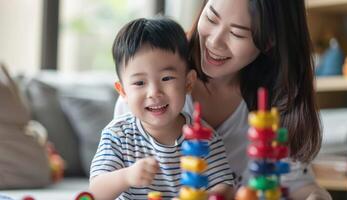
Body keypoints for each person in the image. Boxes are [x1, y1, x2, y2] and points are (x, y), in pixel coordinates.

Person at [114, 0, 332, 199]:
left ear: (269, 41)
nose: (215, 42)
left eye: (237, 33)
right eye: (210, 18)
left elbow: (298, 185)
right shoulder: (150, 91)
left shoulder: (273, 104)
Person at [90, 17, 234, 200]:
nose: (154, 93)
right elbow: (95, 193)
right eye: (139, 82)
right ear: (123, 91)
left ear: (188, 82)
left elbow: (226, 189)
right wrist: (126, 176)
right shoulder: (118, 135)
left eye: (166, 78)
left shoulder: (203, 138)